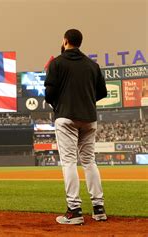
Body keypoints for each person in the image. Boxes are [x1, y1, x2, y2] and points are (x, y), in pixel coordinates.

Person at [44, 29, 108, 225]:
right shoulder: (92, 65)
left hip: (66, 117)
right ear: (80, 43)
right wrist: (85, 101)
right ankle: (99, 209)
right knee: (89, 162)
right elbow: (102, 93)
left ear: (65, 41)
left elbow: (48, 95)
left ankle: (74, 210)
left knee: (69, 162)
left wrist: (62, 104)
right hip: (89, 118)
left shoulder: (57, 63)